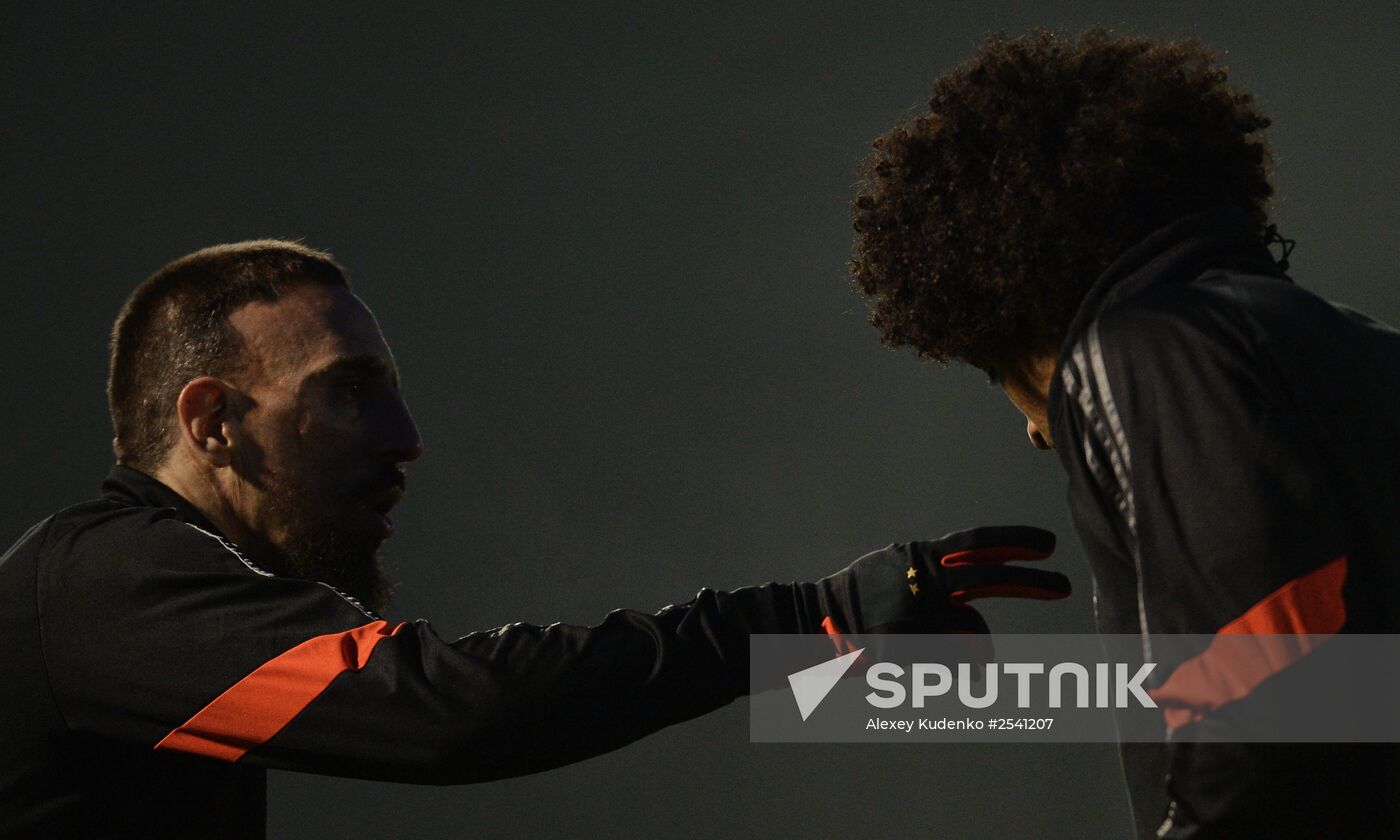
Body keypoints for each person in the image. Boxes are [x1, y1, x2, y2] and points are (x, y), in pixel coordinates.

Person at [0, 241, 1071, 838]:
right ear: (210, 423)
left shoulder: (140, 601)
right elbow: (449, 711)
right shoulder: (103, 582)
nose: (405, 439)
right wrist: (804, 619)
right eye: (348, 393)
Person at [850, 27, 1400, 838]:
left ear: (1018, 307)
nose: (1033, 433)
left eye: (996, 371)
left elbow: (1264, 685)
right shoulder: (1353, 343)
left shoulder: (1139, 349)